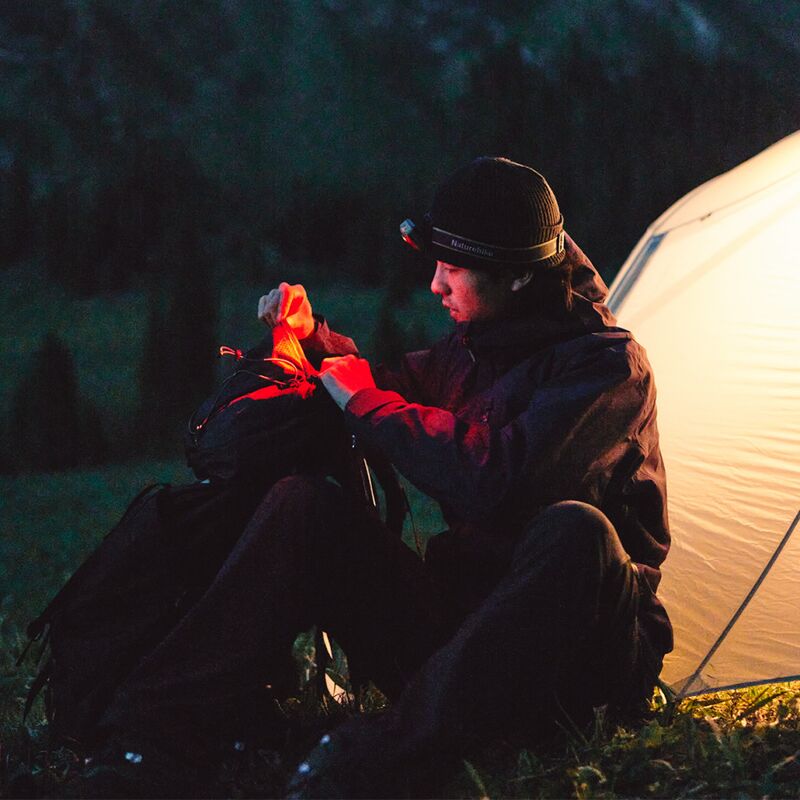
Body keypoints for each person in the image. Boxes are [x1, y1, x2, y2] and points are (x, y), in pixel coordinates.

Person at [77, 157, 672, 798]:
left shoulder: (607, 368)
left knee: (576, 531)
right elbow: (384, 384)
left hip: (580, 662)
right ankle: (149, 737)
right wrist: (312, 340)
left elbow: (497, 479)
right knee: (305, 506)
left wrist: (369, 403)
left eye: (453, 269)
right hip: (460, 635)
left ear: (520, 274)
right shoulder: (478, 342)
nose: (436, 285)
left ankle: (377, 761)